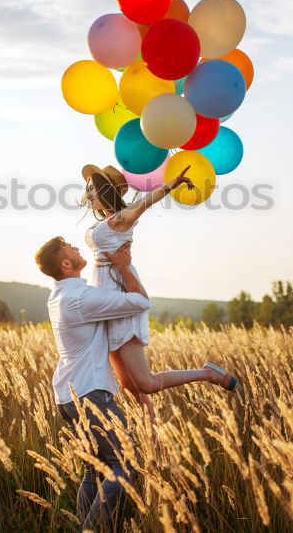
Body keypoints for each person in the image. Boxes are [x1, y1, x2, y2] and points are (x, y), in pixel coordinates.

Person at [78, 163, 240, 424]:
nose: (87, 196)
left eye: (92, 190)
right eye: (87, 190)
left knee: (147, 383)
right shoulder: (105, 223)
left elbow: (144, 203)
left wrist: (169, 186)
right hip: (103, 305)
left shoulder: (121, 219)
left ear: (105, 190)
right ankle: (153, 445)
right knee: (131, 386)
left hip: (119, 298)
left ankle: (209, 374)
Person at [35, 235, 147, 531]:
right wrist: (124, 267)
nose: (76, 247)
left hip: (68, 396)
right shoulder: (80, 297)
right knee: (125, 464)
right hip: (90, 394)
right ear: (66, 263)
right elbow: (139, 302)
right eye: (71, 248)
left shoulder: (59, 295)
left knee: (94, 468)